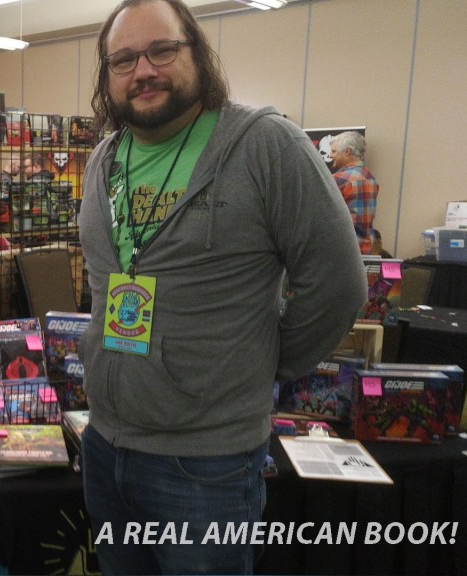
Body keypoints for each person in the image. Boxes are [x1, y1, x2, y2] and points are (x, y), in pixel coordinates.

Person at [78, 1, 367, 574]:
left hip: (205, 465)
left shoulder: (266, 145)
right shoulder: (104, 161)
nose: (143, 70)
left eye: (162, 50)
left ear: (197, 52)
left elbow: (338, 285)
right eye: (124, 59)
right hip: (105, 445)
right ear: (107, 75)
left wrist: (265, 364)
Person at [330, 130, 379, 255]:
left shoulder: (337, 180)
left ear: (347, 152)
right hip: (366, 251)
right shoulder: (371, 179)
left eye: (334, 151)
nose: (330, 155)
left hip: (342, 251)